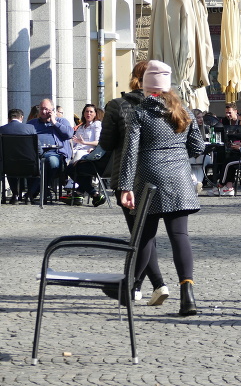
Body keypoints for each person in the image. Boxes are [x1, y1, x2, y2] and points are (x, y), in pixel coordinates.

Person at [118, 60, 205, 316]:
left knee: (145, 236)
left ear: (146, 86)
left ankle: (130, 287)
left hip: (149, 178)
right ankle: (187, 294)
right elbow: (199, 147)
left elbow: (130, 152)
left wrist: (125, 186)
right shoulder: (183, 110)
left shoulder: (140, 112)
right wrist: (178, 154)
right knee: (180, 237)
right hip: (179, 177)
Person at [99, 60, 169, 305]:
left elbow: (106, 144)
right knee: (145, 236)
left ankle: (145, 285)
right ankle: (152, 285)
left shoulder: (118, 105)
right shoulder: (170, 106)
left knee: (139, 236)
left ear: (134, 78)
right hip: (160, 177)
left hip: (126, 178)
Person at [27, 98, 74, 203]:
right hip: (35, 153)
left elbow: (69, 134)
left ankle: (37, 189)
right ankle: (42, 189)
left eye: (46, 109)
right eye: (41, 109)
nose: (43, 112)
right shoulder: (32, 123)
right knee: (32, 164)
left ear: (52, 110)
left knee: (52, 163)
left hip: (55, 153)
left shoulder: (61, 121)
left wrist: (54, 122)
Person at [63, 104, 107, 207]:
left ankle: (75, 189)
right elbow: (76, 142)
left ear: (95, 114)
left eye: (91, 112)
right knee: (74, 161)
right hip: (79, 152)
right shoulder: (81, 127)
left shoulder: (97, 124)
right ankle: (90, 194)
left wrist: (84, 143)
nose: (88, 114)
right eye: (87, 111)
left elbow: (98, 142)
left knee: (71, 168)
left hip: (89, 154)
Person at [0, 108, 37, 203]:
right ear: (22, 117)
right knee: (38, 167)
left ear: (9, 118)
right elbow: (38, 149)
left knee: (9, 166)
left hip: (8, 166)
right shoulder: (30, 128)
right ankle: (29, 194)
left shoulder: (2, 130)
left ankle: (15, 194)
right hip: (28, 165)